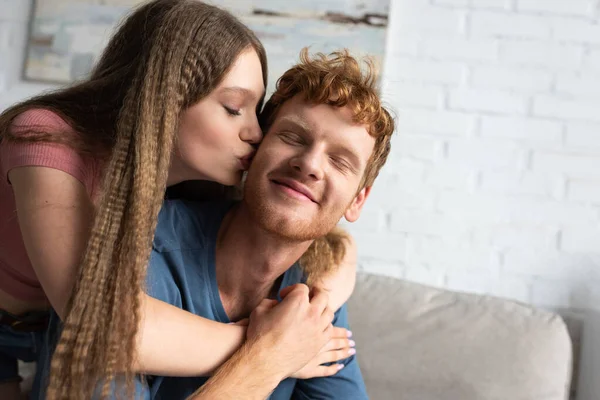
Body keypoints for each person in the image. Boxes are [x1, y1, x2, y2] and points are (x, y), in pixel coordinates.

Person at [0, 1, 357, 399]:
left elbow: (314, 232)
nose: (255, 133)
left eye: (255, 112)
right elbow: (101, 323)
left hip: (36, 336)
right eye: (234, 109)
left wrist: (330, 284)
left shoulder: (173, 188)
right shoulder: (46, 139)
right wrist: (274, 348)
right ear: (165, 99)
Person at [129, 48, 394, 399]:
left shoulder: (313, 288)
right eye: (293, 137)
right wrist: (271, 355)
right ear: (253, 151)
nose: (310, 164)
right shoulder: (141, 247)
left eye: (340, 160)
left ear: (357, 200)